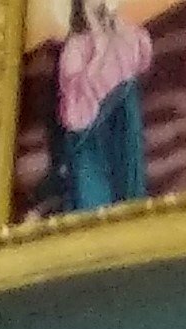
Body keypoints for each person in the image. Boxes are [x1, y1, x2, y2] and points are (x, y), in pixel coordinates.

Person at [45, 0, 150, 210]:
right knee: (95, 205)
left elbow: (140, 60)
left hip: (121, 136)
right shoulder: (75, 47)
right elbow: (77, 114)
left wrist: (115, 28)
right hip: (88, 140)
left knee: (127, 203)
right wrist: (100, 47)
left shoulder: (122, 37)